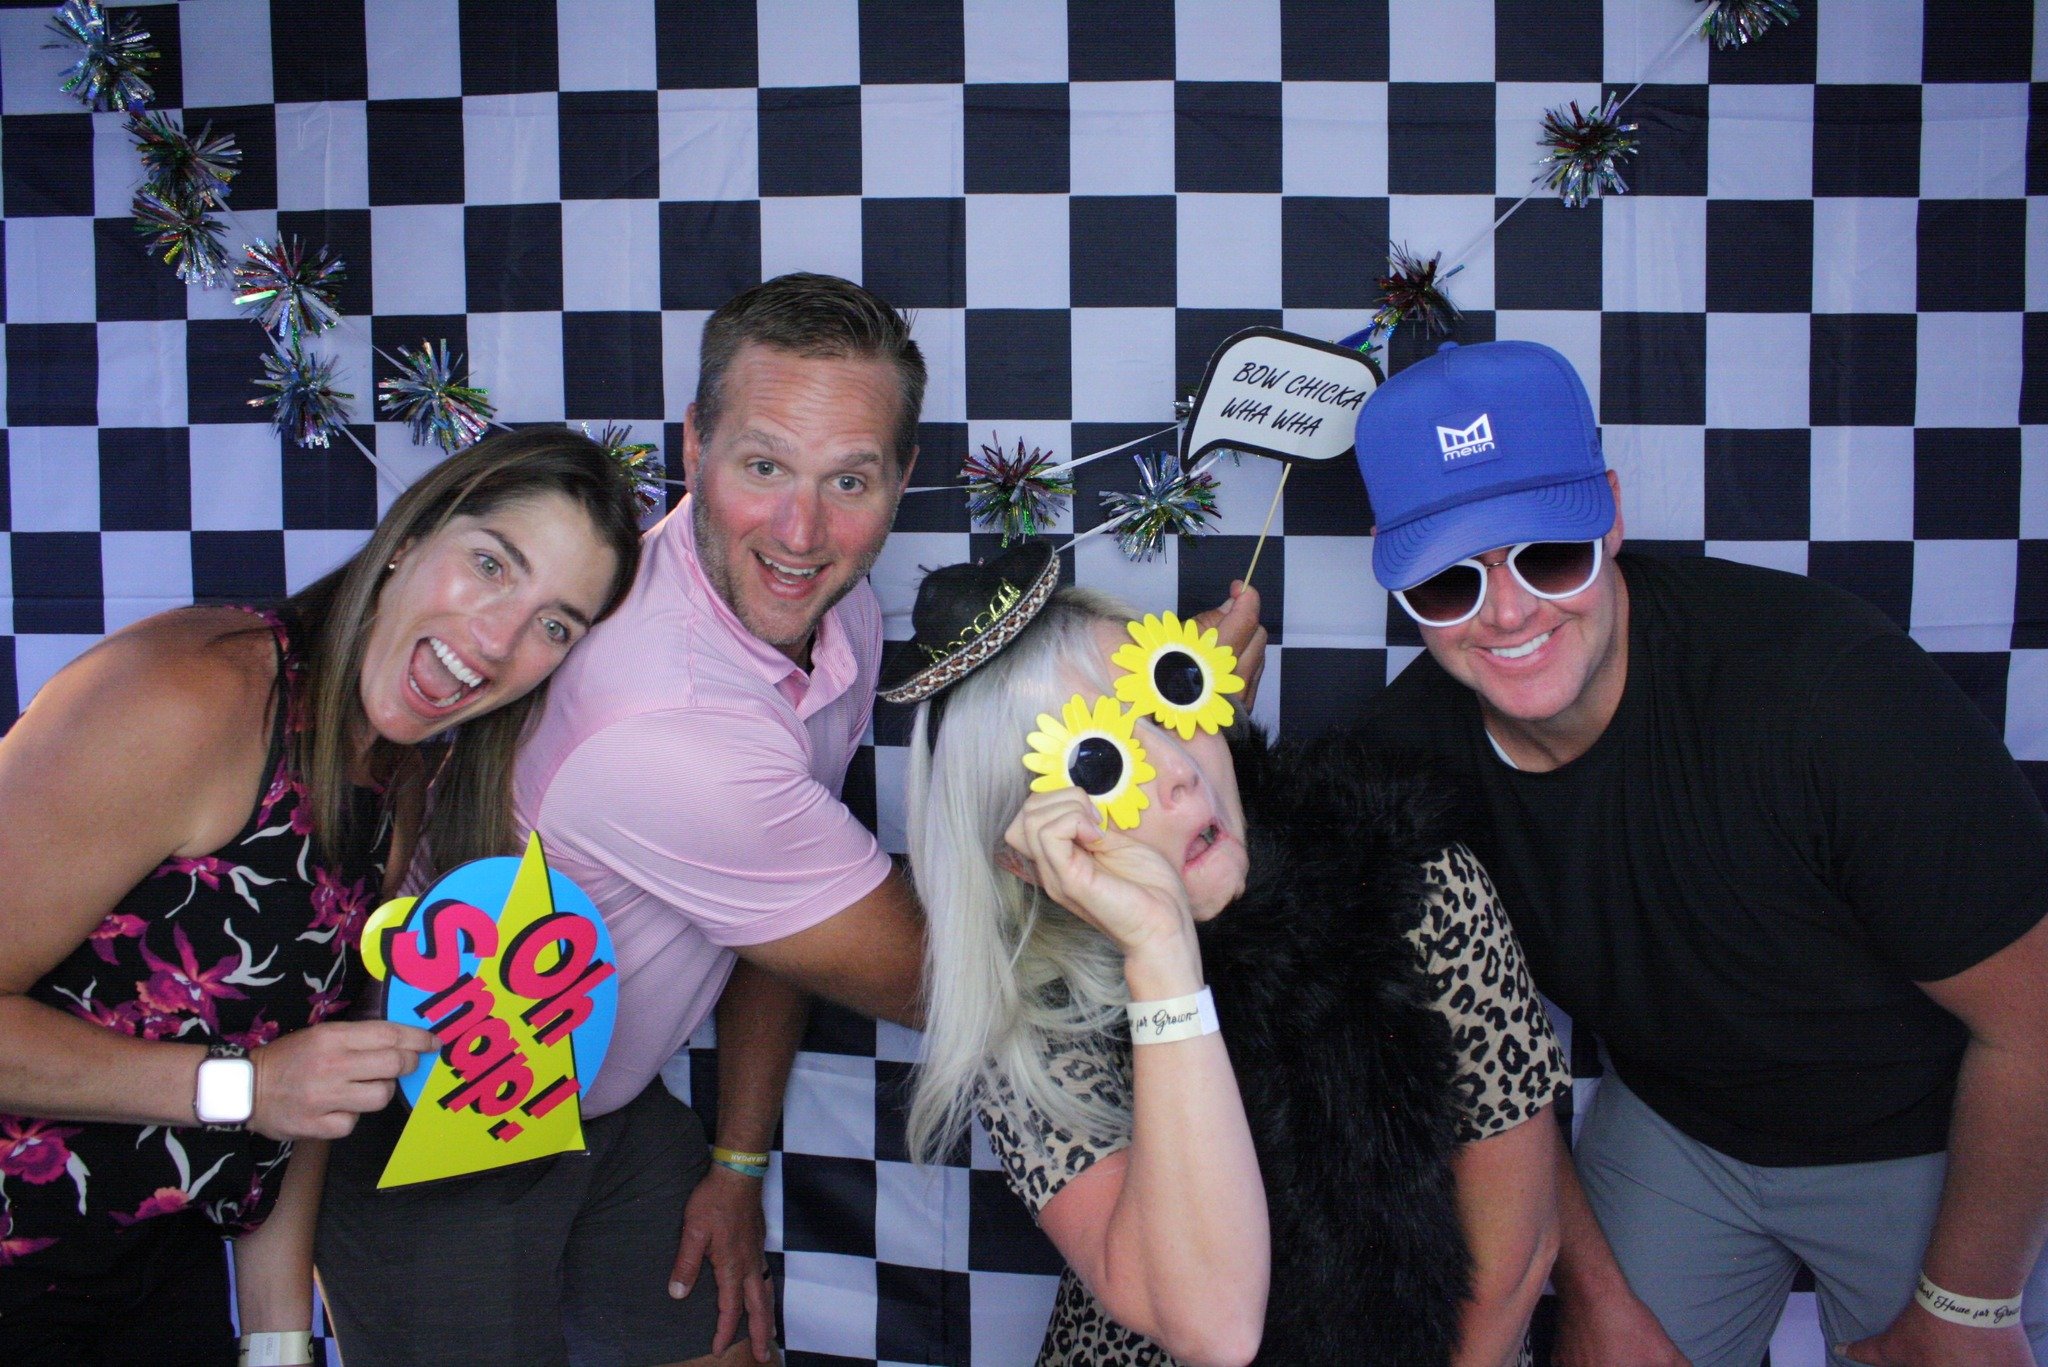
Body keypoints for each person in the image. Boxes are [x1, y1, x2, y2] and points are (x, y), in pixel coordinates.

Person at [1351, 339, 2048, 1367]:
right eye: (1448, 581)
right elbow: (1478, 1064)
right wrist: (1592, 1292)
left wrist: (1967, 1304)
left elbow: (2033, 1023)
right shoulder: (1400, 763)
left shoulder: (1828, 693)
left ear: (1609, 515)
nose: (1507, 611)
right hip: (1677, 1125)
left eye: (1549, 553)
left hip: (1924, 1129)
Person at [315, 272, 933, 1367]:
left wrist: (737, 1161)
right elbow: (934, 982)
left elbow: (784, 915)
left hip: (606, 1103)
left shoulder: (832, 606)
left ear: (901, 479)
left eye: (850, 478)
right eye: (762, 466)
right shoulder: (665, 710)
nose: (801, 530)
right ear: (694, 445)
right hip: (433, 1132)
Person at [0, 426, 645, 1367]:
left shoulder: (398, 779)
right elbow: (269, 1087)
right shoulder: (191, 695)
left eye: (555, 624)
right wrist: (246, 1085)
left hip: (155, 1272)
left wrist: (278, 1343)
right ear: (408, 539)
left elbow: (306, 1094)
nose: (500, 638)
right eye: (491, 565)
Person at [892, 541, 1569, 1367]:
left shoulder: (1413, 876)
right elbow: (1213, 1326)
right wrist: (1161, 958)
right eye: (1103, 763)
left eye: (1170, 699)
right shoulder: (1030, 1018)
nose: (1180, 771)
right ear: (1024, 857)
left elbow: (1515, 1253)